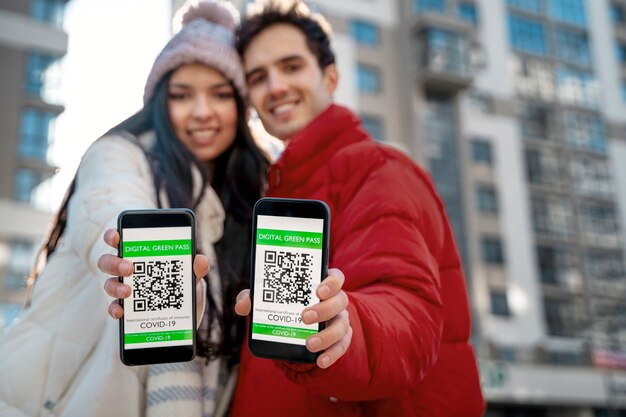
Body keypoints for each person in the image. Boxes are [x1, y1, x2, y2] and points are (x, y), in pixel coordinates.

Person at [101, 1, 484, 416]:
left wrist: (345, 329)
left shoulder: (378, 169)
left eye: (291, 66)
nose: (276, 86)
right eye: (258, 77)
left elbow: (405, 307)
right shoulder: (271, 195)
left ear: (331, 76)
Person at [0, 1, 272, 416]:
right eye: (182, 95)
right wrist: (156, 271)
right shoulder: (119, 155)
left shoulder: (243, 199)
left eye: (220, 94)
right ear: (158, 104)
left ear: (241, 106)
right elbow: (111, 206)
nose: (202, 111)